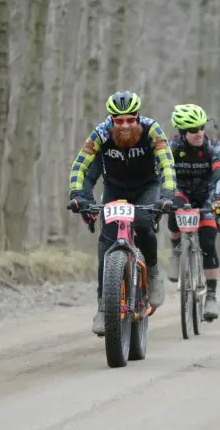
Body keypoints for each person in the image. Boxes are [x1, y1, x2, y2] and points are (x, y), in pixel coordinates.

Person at [68, 91, 176, 336]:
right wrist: (77, 195)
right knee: (106, 241)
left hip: (147, 186)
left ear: (138, 116)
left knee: (145, 226)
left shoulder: (151, 129)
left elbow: (167, 164)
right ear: (111, 119)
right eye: (119, 121)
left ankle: (153, 271)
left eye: (130, 119)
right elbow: (80, 165)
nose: (126, 125)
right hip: (115, 187)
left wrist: (167, 196)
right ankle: (104, 307)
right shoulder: (101, 132)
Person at [166, 104, 220, 321]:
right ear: (182, 133)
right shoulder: (171, 147)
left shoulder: (213, 147)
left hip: (207, 196)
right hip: (181, 192)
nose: (200, 133)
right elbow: (162, 177)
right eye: (193, 130)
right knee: (172, 208)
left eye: (202, 127)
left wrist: (219, 200)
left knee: (209, 242)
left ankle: (211, 295)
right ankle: (176, 251)